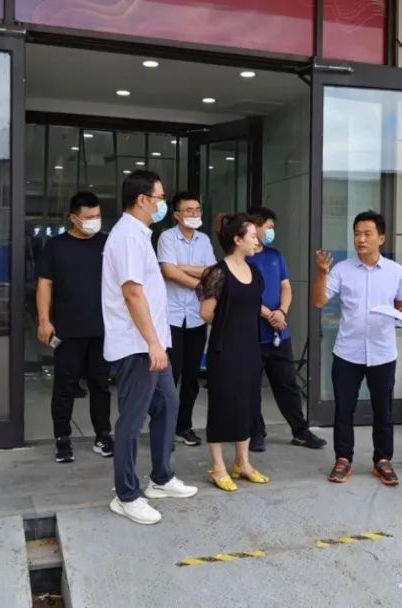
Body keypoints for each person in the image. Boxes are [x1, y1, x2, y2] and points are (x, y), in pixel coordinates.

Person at [102, 170, 198, 525]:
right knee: (131, 420)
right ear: (142, 200)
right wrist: (153, 343)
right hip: (137, 346)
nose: (162, 204)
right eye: (159, 198)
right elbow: (132, 293)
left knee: (168, 404)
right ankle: (126, 495)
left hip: (153, 344)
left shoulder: (141, 235)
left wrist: (158, 342)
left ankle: (161, 477)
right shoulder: (128, 236)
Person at [311, 210, 402, 487]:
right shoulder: (342, 270)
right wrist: (322, 273)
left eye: (367, 234)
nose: (361, 239)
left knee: (383, 410)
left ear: (381, 238)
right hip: (348, 352)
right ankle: (343, 459)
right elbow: (318, 301)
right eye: (357, 234)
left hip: (383, 352)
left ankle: (383, 460)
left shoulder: (395, 271)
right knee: (344, 409)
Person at [36, 191, 113, 464]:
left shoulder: (107, 243)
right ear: (73, 218)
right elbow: (45, 284)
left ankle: (103, 435)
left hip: (102, 328)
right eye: (88, 217)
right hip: (67, 329)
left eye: (97, 216)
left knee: (100, 384)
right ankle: (62, 438)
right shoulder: (56, 246)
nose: (94, 221)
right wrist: (44, 320)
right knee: (65, 385)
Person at [197, 213, 270, 492]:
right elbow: (206, 313)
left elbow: (252, 306)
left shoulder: (255, 272)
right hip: (225, 349)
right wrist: (229, 323)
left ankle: (243, 462)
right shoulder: (217, 272)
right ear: (237, 240)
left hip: (250, 347)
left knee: (248, 404)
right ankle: (218, 468)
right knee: (223, 404)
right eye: (252, 236)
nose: (257, 241)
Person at [246, 207, 327, 453]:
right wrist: (267, 314)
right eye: (269, 227)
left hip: (279, 333)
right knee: (251, 388)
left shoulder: (275, 255)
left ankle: (300, 432)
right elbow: (242, 294)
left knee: (287, 385)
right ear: (255, 226)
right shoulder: (241, 258)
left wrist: (281, 311)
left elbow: (286, 287)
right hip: (251, 334)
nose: (272, 231)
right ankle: (256, 433)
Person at [157, 192, 216, 447]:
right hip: (171, 316)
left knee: (191, 376)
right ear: (176, 215)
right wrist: (199, 283)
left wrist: (181, 267)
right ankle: (164, 428)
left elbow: (212, 272)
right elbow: (168, 272)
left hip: (196, 316)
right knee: (171, 375)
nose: (194, 214)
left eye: (197, 209)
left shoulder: (204, 240)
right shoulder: (167, 237)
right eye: (189, 210)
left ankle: (184, 426)